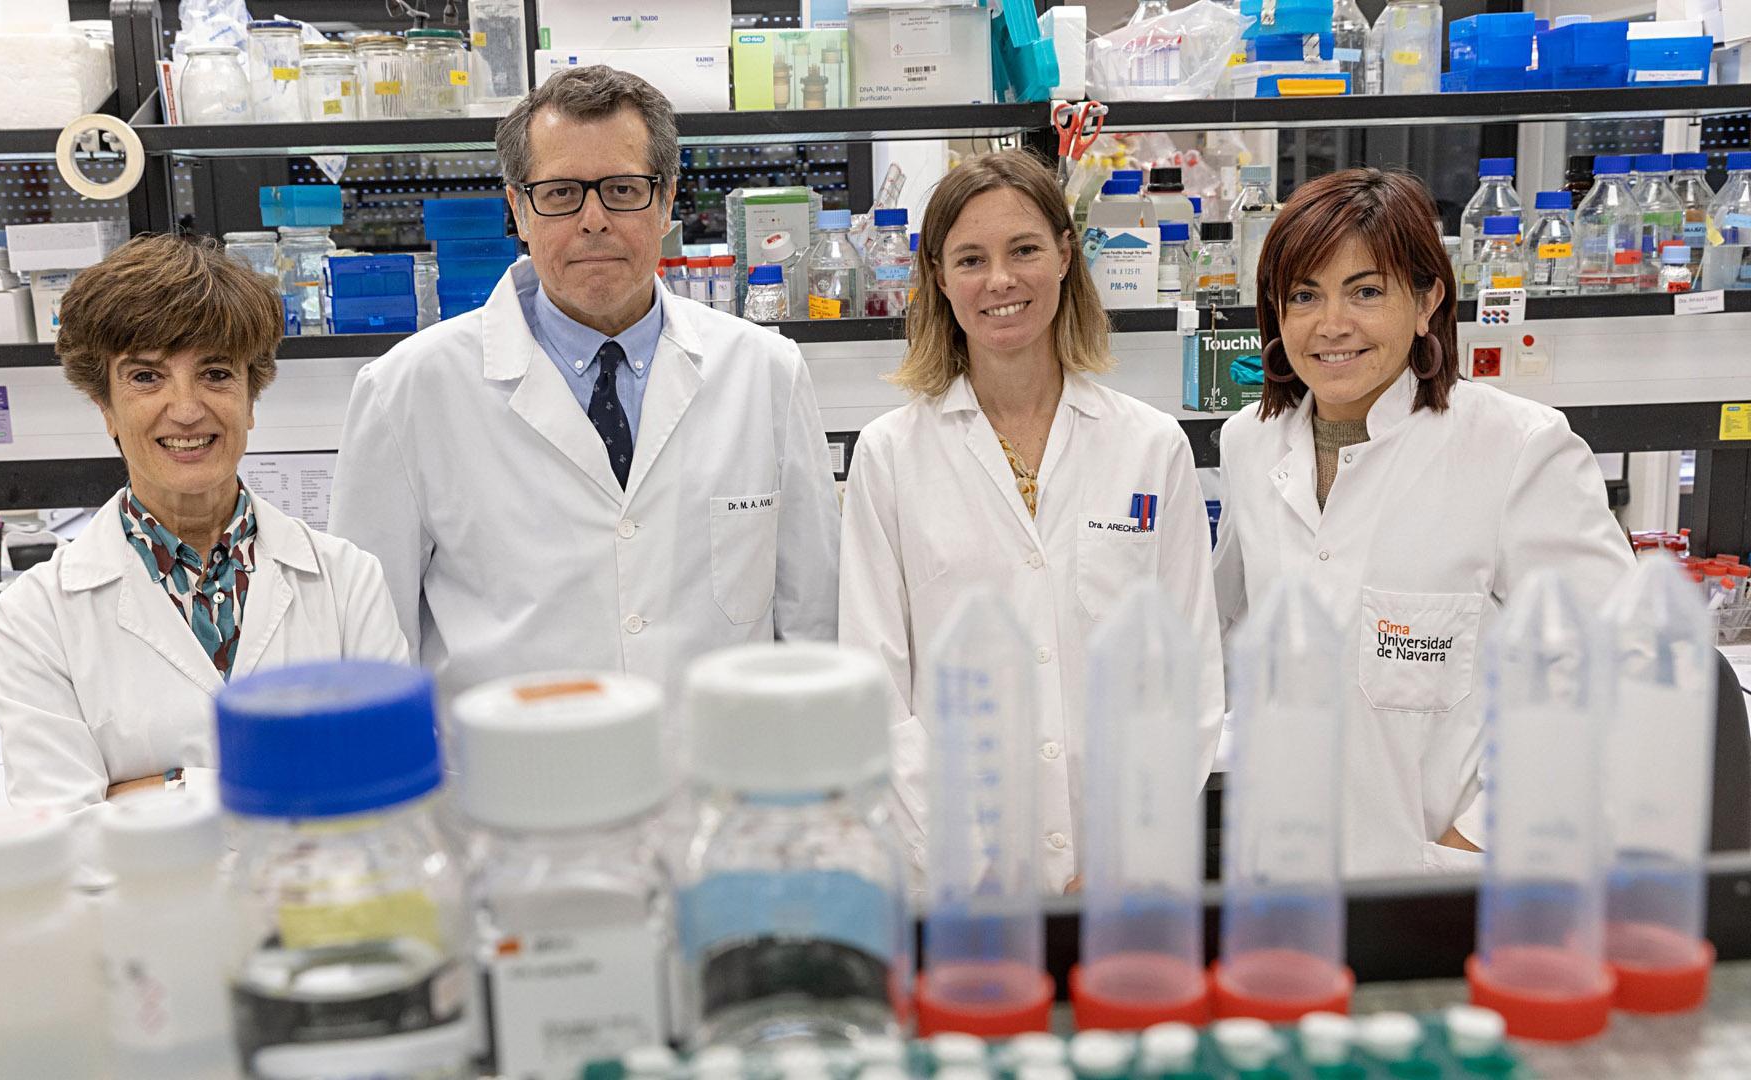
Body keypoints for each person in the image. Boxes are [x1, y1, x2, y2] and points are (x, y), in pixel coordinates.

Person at [330, 66, 840, 706]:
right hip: (509, 794)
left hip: (716, 790)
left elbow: (813, 627)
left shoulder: (765, 373)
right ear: (517, 207)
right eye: (562, 192)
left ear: (666, 201)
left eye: (623, 189)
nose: (594, 219)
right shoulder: (405, 391)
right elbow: (370, 651)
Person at [1212, 168, 1635, 878]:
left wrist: (1480, 838)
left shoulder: (1517, 447)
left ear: (1426, 300)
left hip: (1454, 880)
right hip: (1281, 869)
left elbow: (1613, 667)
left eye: (1366, 291)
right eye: (1304, 295)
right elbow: (1231, 629)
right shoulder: (1249, 443)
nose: (1331, 324)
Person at [838, 151, 1225, 894]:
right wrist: (972, 860)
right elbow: (874, 687)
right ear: (939, 278)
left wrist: (1117, 857)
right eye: (971, 259)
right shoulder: (890, 455)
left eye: (1024, 250)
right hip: (952, 872)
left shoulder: (1148, 447)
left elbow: (1188, 681)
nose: (1000, 281)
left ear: (1064, 256)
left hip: (1121, 873)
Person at [0, 235, 409, 809]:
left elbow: (389, 788)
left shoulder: (345, 582)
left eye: (214, 374)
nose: (186, 409)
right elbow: (62, 836)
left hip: (318, 899)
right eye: (145, 377)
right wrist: (291, 783)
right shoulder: (36, 617)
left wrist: (163, 790)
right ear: (105, 407)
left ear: (251, 398)